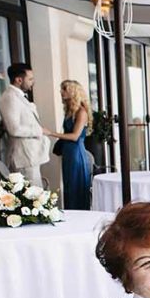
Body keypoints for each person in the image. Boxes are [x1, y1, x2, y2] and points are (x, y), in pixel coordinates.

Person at [0, 62, 50, 184]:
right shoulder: (10, 97)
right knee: (33, 197)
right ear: (19, 80)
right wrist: (40, 131)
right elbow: (14, 129)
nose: (33, 82)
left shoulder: (19, 96)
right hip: (23, 158)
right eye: (30, 79)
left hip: (30, 157)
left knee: (37, 196)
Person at [47, 80, 92, 210]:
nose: (61, 92)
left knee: (75, 187)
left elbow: (75, 136)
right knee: (68, 186)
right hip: (68, 152)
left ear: (73, 92)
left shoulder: (81, 112)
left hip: (76, 153)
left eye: (65, 89)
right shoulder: (70, 111)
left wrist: (51, 133)